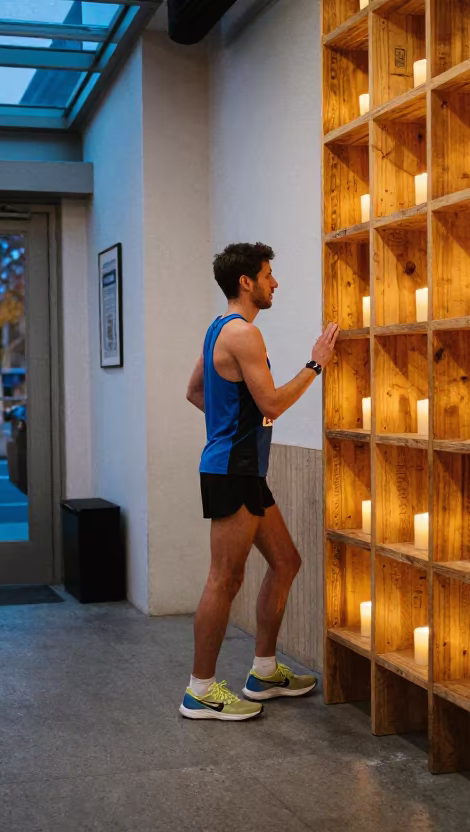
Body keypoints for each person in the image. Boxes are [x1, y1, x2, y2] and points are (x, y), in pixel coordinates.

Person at [180, 242, 338, 720]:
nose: (275, 283)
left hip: (242, 468)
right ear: (246, 282)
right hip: (233, 470)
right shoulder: (244, 334)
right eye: (268, 275)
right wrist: (316, 365)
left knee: (286, 562)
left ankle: (264, 672)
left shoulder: (218, 328)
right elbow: (271, 404)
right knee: (225, 579)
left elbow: (194, 391)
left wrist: (234, 426)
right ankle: (200, 691)